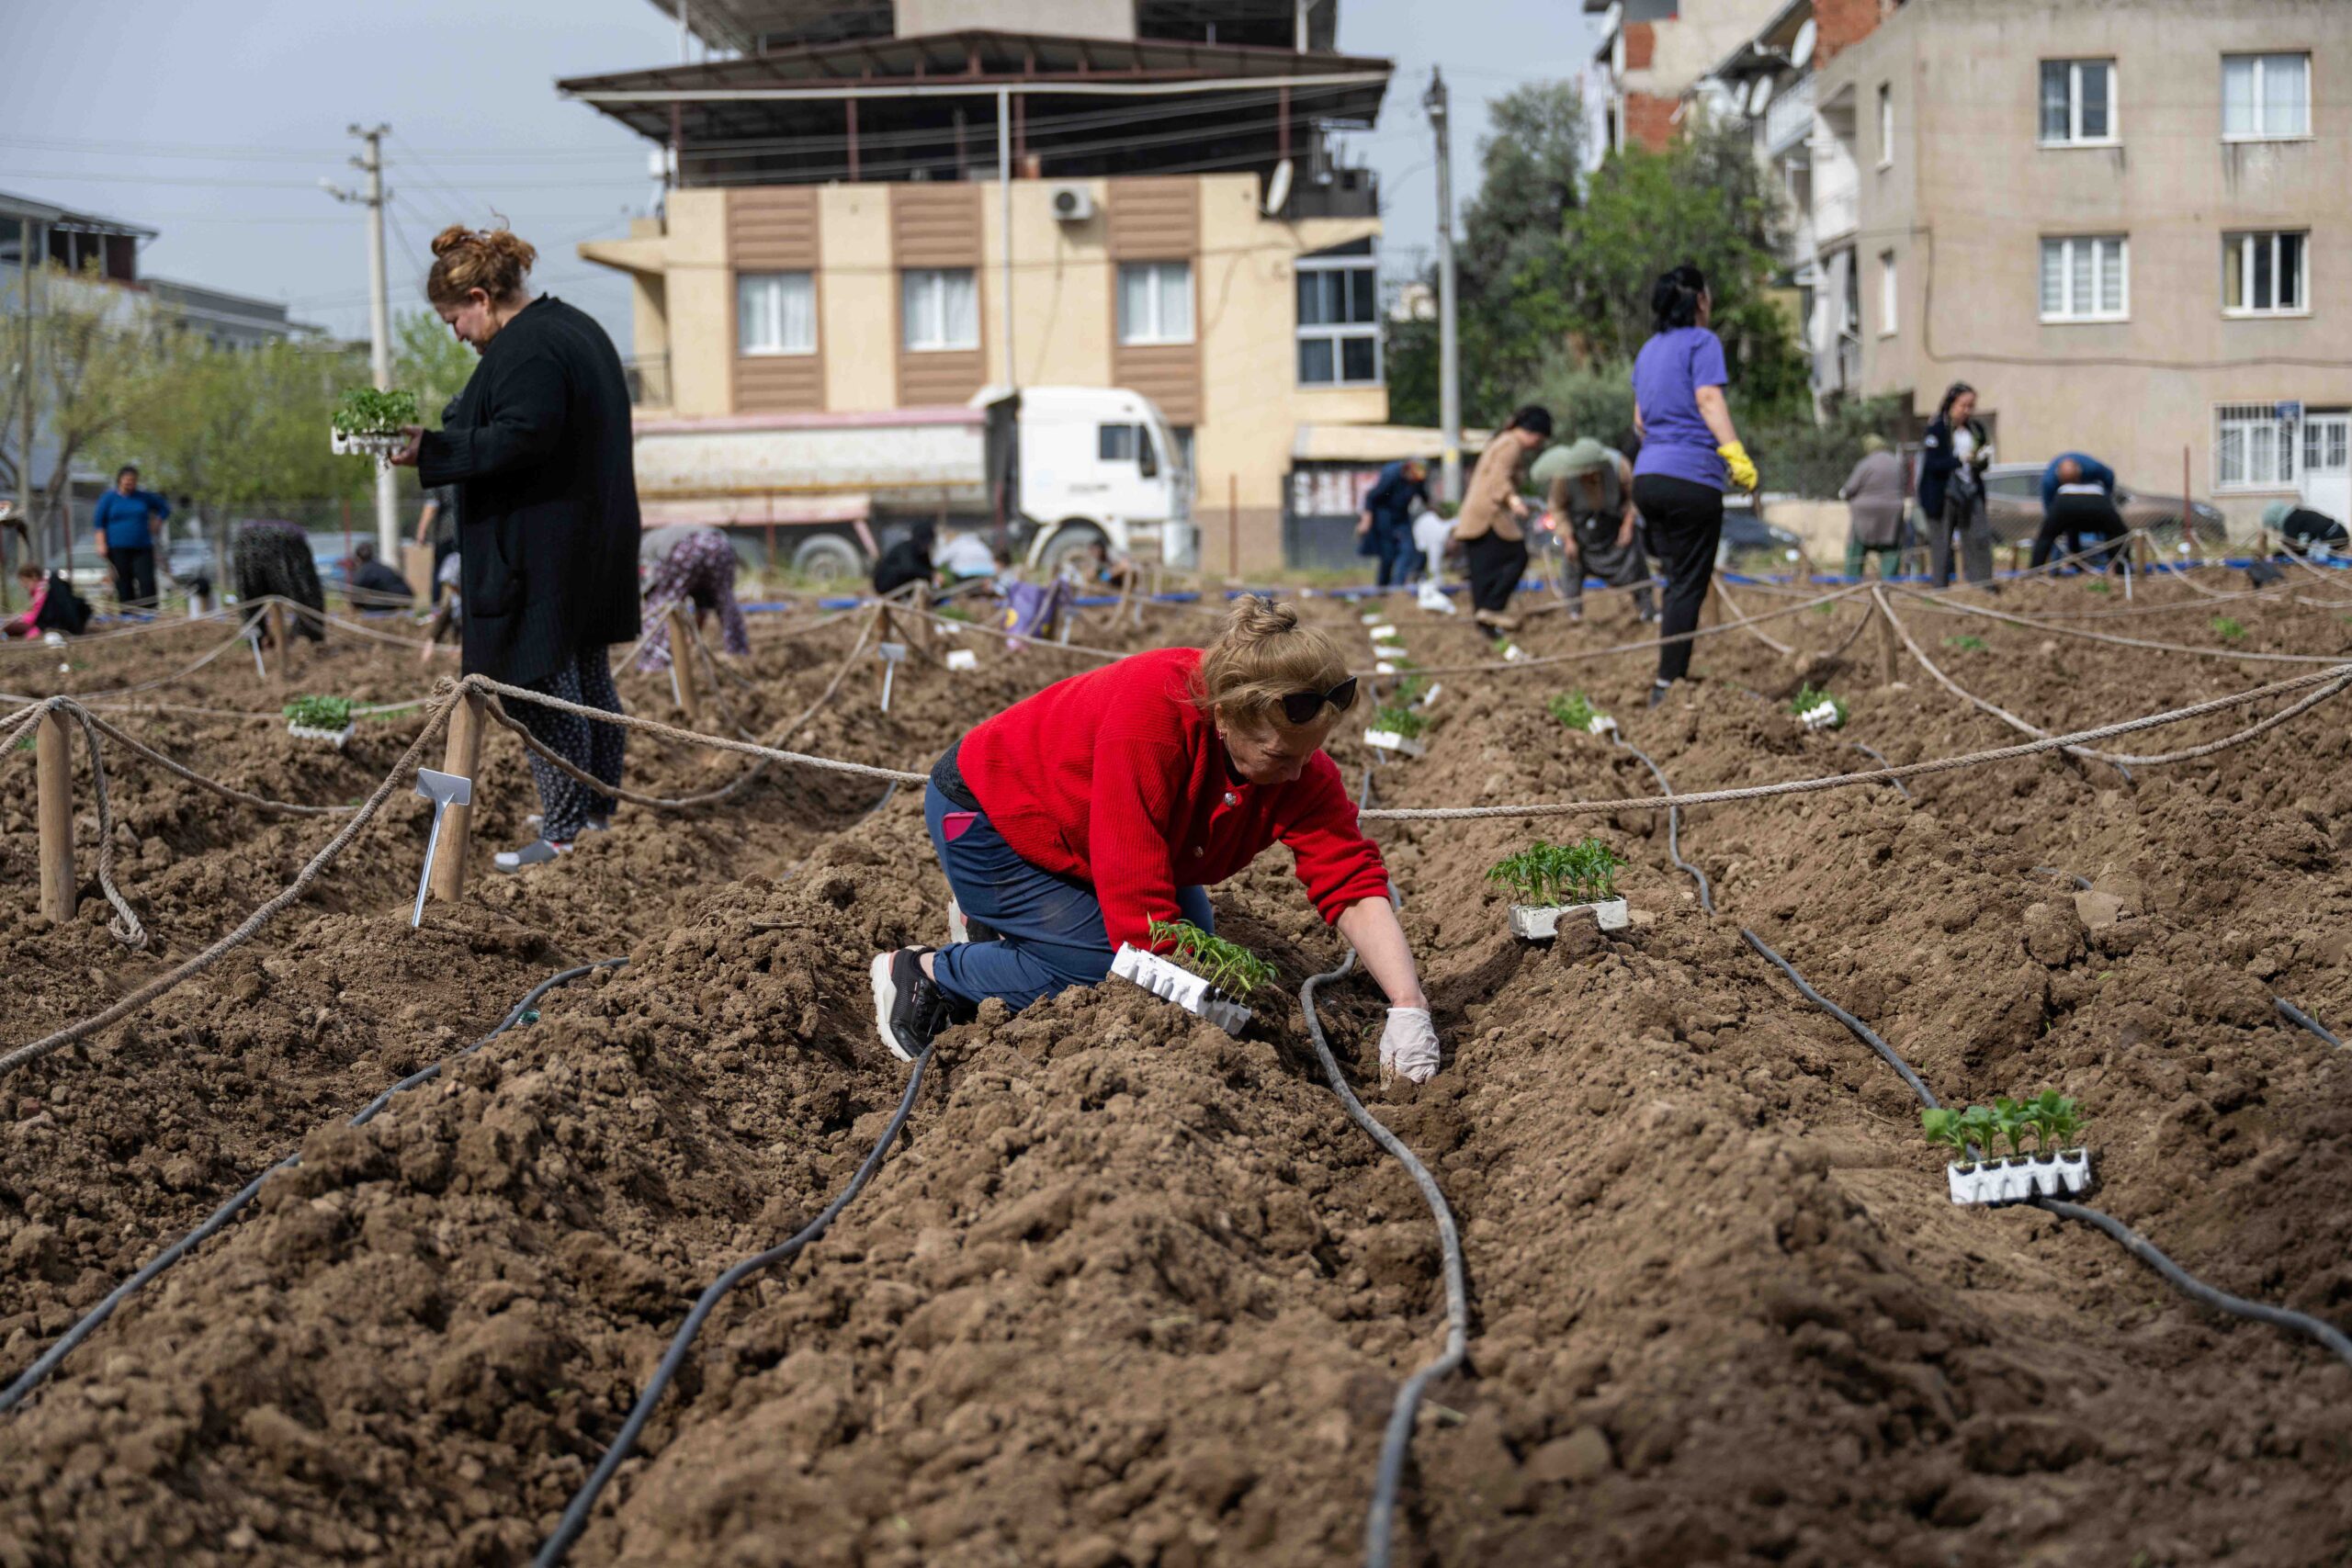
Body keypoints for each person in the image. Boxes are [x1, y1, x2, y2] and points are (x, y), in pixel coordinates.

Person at [869, 597, 1440, 1080]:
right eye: (1278, 755)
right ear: (1224, 716)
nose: (1297, 773)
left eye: (1309, 753)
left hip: (1081, 837)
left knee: (1193, 939)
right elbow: (1138, 917)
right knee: (1102, 967)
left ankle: (1008, 933)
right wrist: (1210, 1012)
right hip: (994, 815)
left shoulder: (1298, 771)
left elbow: (1352, 882)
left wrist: (1408, 1007)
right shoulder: (1151, 722)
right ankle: (930, 973)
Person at [390, 225, 640, 873]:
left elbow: (522, 437)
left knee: (539, 688)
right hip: (591, 540)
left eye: (455, 319)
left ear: (480, 295)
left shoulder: (527, 348)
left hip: (542, 550)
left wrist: (433, 448)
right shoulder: (575, 327)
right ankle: (595, 814)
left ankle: (561, 834)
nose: (457, 333)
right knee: (587, 681)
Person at [1632, 263, 1758, 706]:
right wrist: (1735, 455)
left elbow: (1639, 422)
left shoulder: (1647, 351)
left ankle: (1668, 676)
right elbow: (1708, 398)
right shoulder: (1702, 342)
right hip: (1691, 479)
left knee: (1675, 581)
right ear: (1700, 300)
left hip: (1647, 478)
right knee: (1688, 585)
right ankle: (1667, 685)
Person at [1451, 407, 1554, 632]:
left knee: (1483, 572)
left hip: (1476, 516)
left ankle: (1485, 627)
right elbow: (1499, 476)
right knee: (1517, 556)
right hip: (1489, 516)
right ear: (1534, 433)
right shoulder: (1511, 445)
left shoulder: (1501, 441)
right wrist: (1514, 501)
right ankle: (1492, 610)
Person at [1533, 436, 1652, 622]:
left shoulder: (1618, 465)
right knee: (1571, 564)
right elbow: (1557, 507)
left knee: (1636, 561)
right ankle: (1574, 613)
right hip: (1581, 530)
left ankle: (1647, 608)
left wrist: (1628, 524)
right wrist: (1568, 538)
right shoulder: (1564, 475)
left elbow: (1634, 497)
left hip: (1614, 524)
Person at [635, 526, 750, 672]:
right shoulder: (659, 539)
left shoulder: (643, 549)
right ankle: (738, 652)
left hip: (685, 548)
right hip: (720, 545)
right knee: (726, 600)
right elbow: (703, 606)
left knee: (662, 603)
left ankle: (654, 662)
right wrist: (694, 635)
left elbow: (650, 586)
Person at [1918, 383, 1995, 587]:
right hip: (1943, 494)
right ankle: (1940, 587)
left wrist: (1980, 459)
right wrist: (1958, 460)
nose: (1967, 411)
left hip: (1970, 491)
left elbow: (1982, 460)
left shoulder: (1976, 430)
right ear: (1952, 404)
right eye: (1963, 405)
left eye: (1971, 406)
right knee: (1942, 543)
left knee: (1978, 537)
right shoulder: (1937, 429)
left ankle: (1982, 585)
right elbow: (1933, 463)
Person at [232, 520, 326, 642]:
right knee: (306, 595)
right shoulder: (287, 537)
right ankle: (303, 638)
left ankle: (258, 640)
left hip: (255, 543)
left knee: (249, 599)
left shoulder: (247, 538)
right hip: (285, 543)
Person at [91, 466, 168, 614]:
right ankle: (128, 613)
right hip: (117, 547)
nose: (129, 483)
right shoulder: (109, 498)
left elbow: (164, 508)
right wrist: (101, 543)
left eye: (133, 480)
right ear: (120, 480)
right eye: (127, 480)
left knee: (146, 580)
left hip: (142, 546)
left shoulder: (143, 497)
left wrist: (157, 522)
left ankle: (149, 611)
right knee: (124, 581)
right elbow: (99, 523)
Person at [2033, 453, 2126, 571]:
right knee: (2117, 531)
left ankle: (2035, 570)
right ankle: (2121, 568)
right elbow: (2048, 507)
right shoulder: (2049, 481)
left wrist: (2106, 497)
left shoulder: (2093, 468)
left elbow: (2109, 477)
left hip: (2071, 504)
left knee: (2046, 536)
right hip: (2095, 503)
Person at [1839, 434, 1907, 580]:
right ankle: (1889, 580)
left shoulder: (1866, 463)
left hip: (1865, 516)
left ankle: (1852, 580)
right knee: (1891, 550)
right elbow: (1904, 485)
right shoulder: (1896, 463)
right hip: (1892, 516)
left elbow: (1850, 488)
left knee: (1856, 548)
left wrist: (1844, 495)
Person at [1357, 457, 1431, 590]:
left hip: (1402, 516)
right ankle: (1381, 588)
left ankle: (1397, 589)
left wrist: (1437, 511)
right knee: (1388, 555)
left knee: (1408, 550)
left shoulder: (1417, 480)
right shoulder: (1392, 476)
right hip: (1384, 516)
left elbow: (1423, 496)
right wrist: (1366, 519)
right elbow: (1372, 497)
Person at [4, 563, 91, 638]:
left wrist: (22, 619)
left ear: (34, 577)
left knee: (10, 628)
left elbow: (39, 615)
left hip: (48, 624)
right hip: (44, 623)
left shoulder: (42, 590)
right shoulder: (42, 589)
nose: (26, 589)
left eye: (26, 585)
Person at [414, 477, 458, 604]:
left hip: (447, 534)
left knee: (438, 573)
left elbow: (431, 505)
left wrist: (421, 530)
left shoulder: (439, 476)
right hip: (465, 531)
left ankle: (435, 606)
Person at [873, 521, 938, 598]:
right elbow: (908, 568)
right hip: (886, 585)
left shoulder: (922, 552)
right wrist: (930, 575)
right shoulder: (906, 549)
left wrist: (935, 574)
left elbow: (927, 568)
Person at [2264, 499, 2350, 557]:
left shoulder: (2290, 521)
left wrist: (2275, 556)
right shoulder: (2298, 514)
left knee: (2313, 555)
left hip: (2333, 539)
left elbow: (2291, 548)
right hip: (2342, 534)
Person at [345, 538, 414, 606]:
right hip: (407, 603)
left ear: (358, 558)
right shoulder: (384, 567)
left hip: (387, 609)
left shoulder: (364, 571)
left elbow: (355, 599)